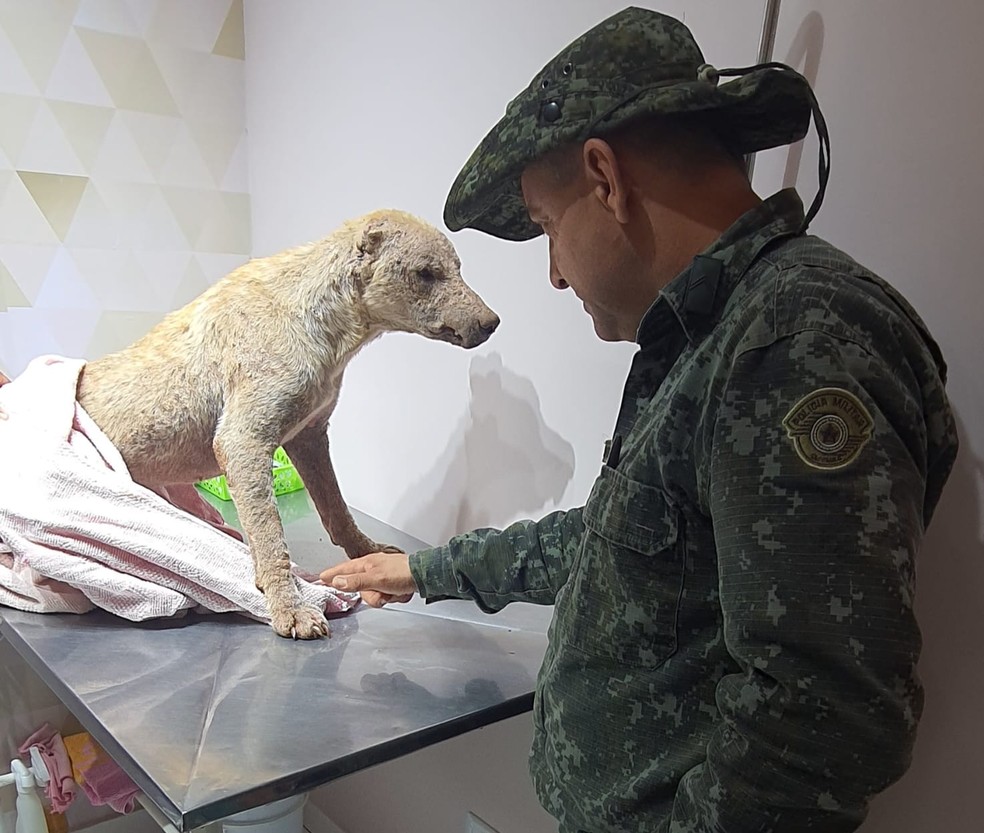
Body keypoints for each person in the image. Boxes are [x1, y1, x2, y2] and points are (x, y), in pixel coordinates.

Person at [318, 7, 957, 832]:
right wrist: (426, 571)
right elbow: (620, 539)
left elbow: (825, 713)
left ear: (605, 177)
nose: (552, 274)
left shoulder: (797, 338)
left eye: (548, 227)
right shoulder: (709, 333)